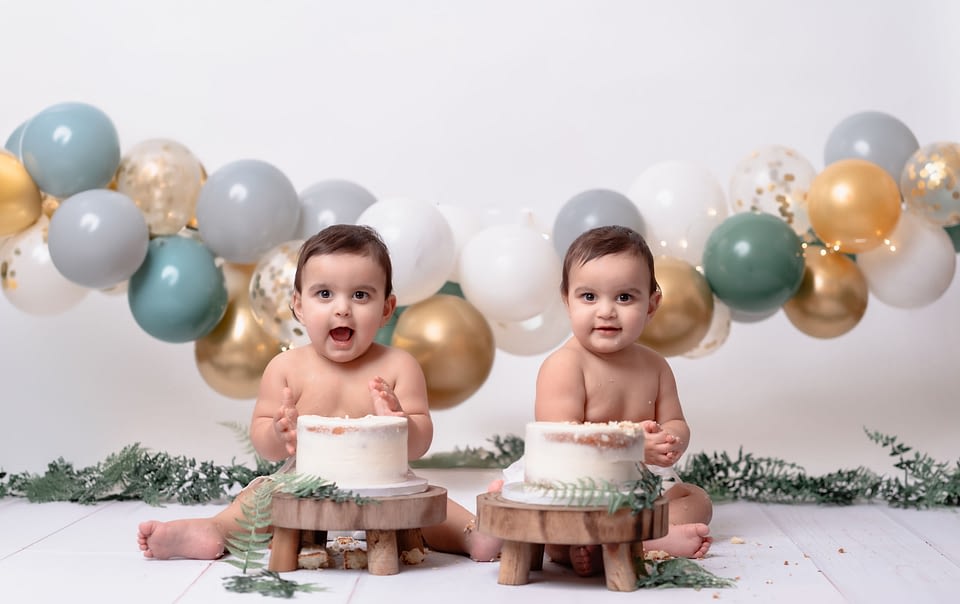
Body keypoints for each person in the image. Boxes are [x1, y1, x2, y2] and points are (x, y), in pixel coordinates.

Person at [137, 224, 501, 563]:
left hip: (385, 481)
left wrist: (400, 423)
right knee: (258, 499)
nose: (342, 307)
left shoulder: (398, 367)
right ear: (298, 304)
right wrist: (278, 432)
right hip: (303, 480)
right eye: (324, 294)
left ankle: (472, 535)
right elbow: (264, 442)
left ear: (386, 308)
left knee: (431, 504)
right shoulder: (286, 368)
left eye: (361, 295)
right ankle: (214, 530)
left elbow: (420, 443)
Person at [521, 224, 713, 576]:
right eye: (589, 297)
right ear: (566, 300)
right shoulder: (564, 365)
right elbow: (559, 444)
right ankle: (621, 543)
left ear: (652, 303)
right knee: (554, 526)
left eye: (624, 297)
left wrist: (671, 440)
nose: (606, 311)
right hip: (578, 487)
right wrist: (629, 444)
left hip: (638, 483)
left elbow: (675, 421)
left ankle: (631, 542)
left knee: (695, 500)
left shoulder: (655, 366)